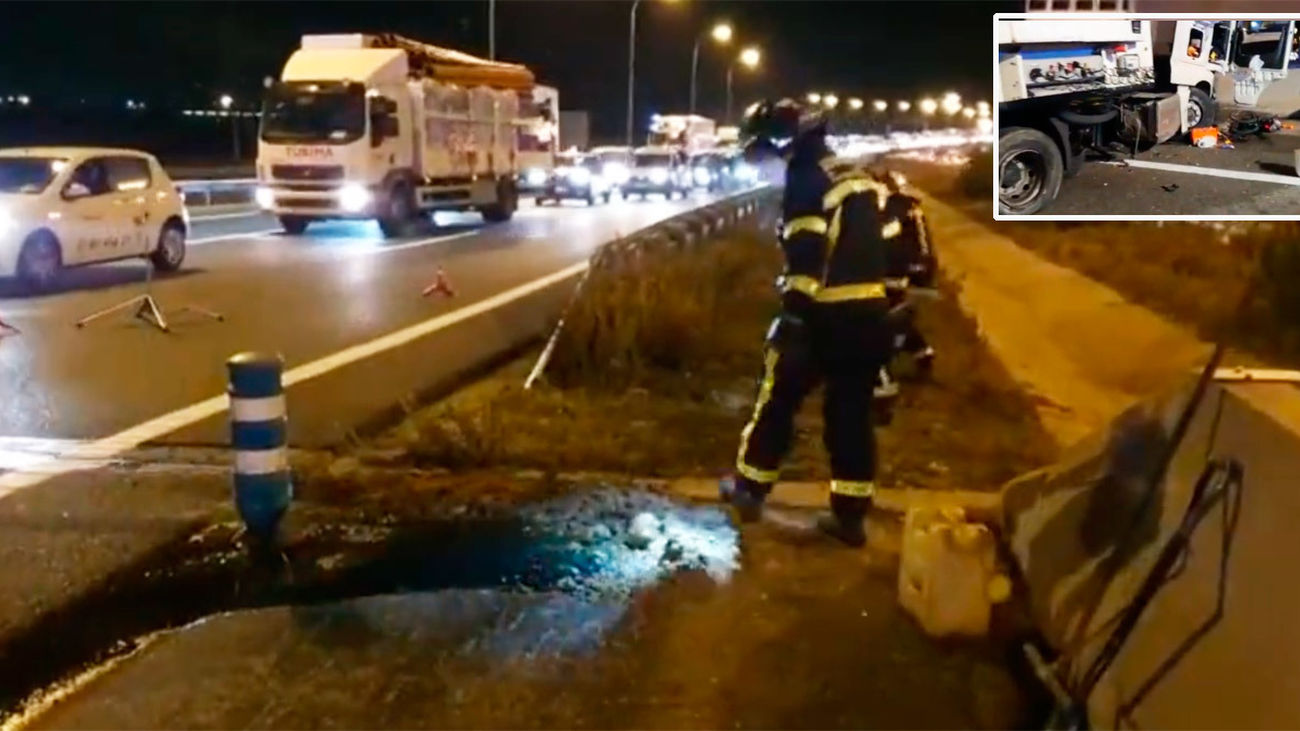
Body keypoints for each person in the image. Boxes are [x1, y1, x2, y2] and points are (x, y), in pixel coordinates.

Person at [721, 98, 896, 547]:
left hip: (822, 315)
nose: (762, 166)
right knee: (851, 417)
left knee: (776, 400)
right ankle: (850, 516)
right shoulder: (851, 173)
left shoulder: (804, 177)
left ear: (779, 145)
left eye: (760, 154)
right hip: (868, 314)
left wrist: (794, 316)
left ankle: (748, 490)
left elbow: (807, 255)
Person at [878, 169, 936, 377]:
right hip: (908, 268)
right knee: (894, 313)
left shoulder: (897, 207)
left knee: (888, 315)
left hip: (897, 270)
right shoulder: (908, 206)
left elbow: (887, 236)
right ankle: (922, 352)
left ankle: (885, 362)